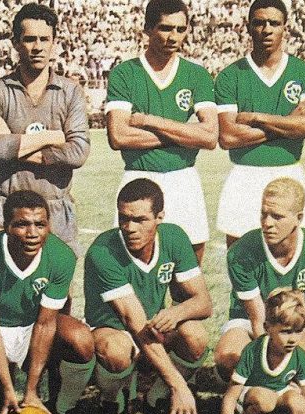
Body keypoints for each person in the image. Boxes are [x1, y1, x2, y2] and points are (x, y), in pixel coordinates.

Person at [84, 178, 212, 414]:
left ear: (159, 217)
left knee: (195, 335)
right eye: (123, 218)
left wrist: (176, 313)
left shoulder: (174, 237)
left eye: (140, 220)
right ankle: (114, 403)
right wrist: (179, 385)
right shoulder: (103, 251)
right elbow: (133, 322)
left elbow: (204, 303)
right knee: (116, 349)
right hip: (114, 329)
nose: (129, 228)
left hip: (150, 326)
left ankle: (156, 400)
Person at [0, 190, 95, 414]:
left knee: (81, 339)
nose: (32, 233)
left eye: (40, 224)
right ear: (6, 226)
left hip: (34, 325)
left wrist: (31, 390)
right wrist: (7, 388)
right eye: (22, 224)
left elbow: (46, 323)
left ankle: (61, 411)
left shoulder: (61, 256)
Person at [105, 0, 218, 262]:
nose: (173, 36)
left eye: (181, 29)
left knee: (189, 267)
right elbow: (118, 136)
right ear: (147, 29)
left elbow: (210, 136)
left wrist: (150, 121)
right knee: (133, 266)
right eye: (165, 28)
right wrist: (184, 135)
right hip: (138, 177)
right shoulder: (124, 74)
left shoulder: (197, 75)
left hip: (184, 179)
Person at [0, 3, 90, 257]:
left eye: (44, 39)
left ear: (54, 42)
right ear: (15, 43)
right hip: (7, 207)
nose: (37, 47)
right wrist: (52, 137)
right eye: (29, 39)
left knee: (57, 281)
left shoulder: (70, 92)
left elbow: (78, 152)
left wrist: (11, 142)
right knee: (5, 279)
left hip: (56, 208)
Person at [215, 0, 305, 248]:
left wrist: (256, 118)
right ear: (248, 27)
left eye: (274, 23)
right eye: (259, 23)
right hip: (244, 175)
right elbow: (228, 137)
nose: (266, 29)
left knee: (293, 255)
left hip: (289, 171)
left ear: (285, 28)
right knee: (241, 255)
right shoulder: (230, 76)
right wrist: (290, 122)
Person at [214, 178, 305, 386]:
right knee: (229, 357)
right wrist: (275, 374)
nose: (267, 223)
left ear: (299, 218)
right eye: (264, 214)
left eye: (277, 216)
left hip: (294, 324)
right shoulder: (242, 251)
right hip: (248, 322)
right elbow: (258, 320)